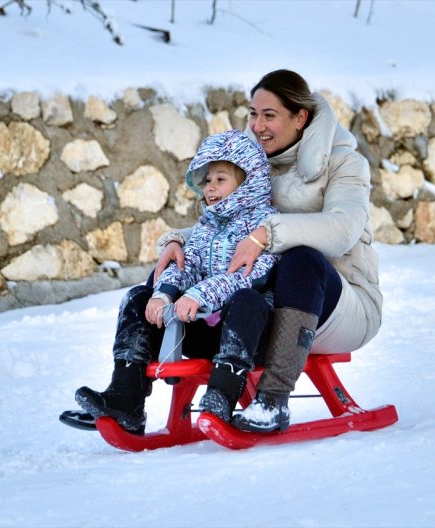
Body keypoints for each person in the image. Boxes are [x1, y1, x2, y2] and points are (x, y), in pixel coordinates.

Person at [154, 69, 382, 433]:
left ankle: (272, 400)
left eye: (270, 115)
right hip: (261, 303)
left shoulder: (344, 164)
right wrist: (175, 240)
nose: (258, 125)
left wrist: (265, 234)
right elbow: (220, 225)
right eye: (253, 114)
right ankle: (129, 391)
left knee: (301, 258)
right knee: (178, 266)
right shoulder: (249, 164)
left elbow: (342, 230)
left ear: (300, 117)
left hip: (341, 304)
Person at [74, 129, 279, 434]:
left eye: (220, 179)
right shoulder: (207, 225)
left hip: (247, 335)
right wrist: (164, 294)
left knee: (247, 301)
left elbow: (246, 278)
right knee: (137, 298)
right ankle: (126, 396)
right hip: (201, 328)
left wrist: (198, 295)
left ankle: (221, 397)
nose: (210, 187)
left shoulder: (266, 227)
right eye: (207, 180)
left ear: (248, 183)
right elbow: (187, 264)